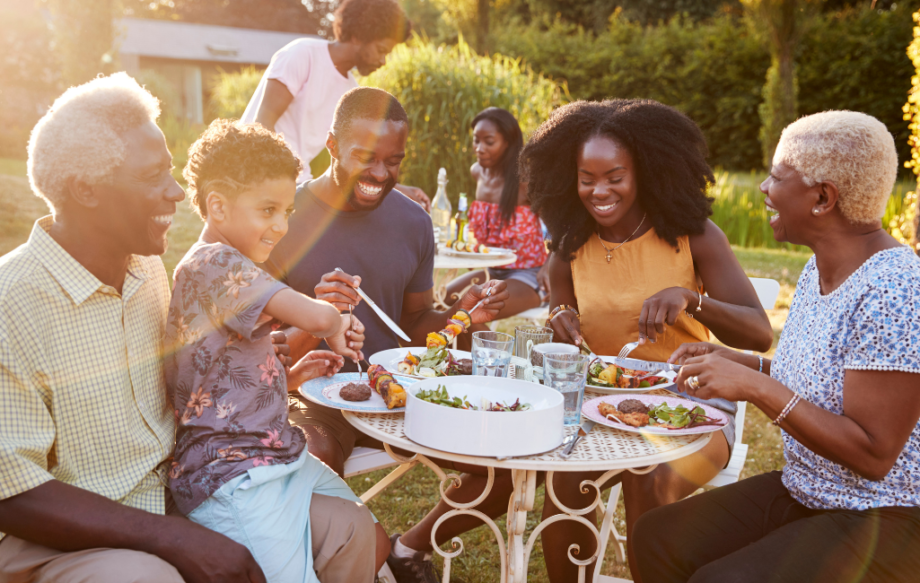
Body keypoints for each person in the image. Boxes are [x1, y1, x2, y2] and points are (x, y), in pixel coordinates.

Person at [0, 73, 336, 583]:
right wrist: (174, 538)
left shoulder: (147, 271)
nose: (177, 192)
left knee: (349, 531)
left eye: (171, 171)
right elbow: (14, 494)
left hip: (182, 491)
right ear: (86, 190)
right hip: (58, 539)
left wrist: (276, 373)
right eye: (154, 176)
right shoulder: (12, 304)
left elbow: (193, 380)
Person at [632, 111, 920, 583]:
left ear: (823, 197)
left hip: (886, 515)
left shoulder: (894, 289)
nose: (764, 188)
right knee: (658, 537)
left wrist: (755, 388)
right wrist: (738, 361)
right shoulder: (821, 268)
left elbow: (873, 454)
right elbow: (821, 381)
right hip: (809, 490)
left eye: (777, 176)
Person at [265, 86, 519, 583]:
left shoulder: (413, 221)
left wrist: (461, 316)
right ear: (332, 145)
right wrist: (316, 315)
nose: (381, 174)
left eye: (394, 161)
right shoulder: (282, 217)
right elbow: (258, 344)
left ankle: (405, 549)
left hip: (408, 393)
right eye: (366, 157)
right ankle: (346, 557)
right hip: (319, 395)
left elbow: (417, 321)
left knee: (505, 465)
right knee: (307, 463)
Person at [519, 99, 774, 582]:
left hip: (693, 399)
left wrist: (691, 299)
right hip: (605, 402)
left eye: (615, 176)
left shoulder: (692, 235)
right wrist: (560, 316)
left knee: (647, 482)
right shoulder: (569, 246)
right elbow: (559, 307)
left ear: (646, 172)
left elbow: (759, 333)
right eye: (586, 178)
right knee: (564, 486)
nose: (599, 191)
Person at [165, 118, 386, 582]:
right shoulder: (215, 263)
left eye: (286, 210)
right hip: (235, 477)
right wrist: (336, 320)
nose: (281, 226)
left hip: (273, 456)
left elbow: (223, 380)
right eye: (268, 209)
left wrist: (291, 377)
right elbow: (320, 318)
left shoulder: (231, 266)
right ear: (217, 206)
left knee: (365, 533)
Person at [241, 0, 431, 211]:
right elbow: (261, 125)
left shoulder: (350, 91)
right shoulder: (303, 55)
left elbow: (346, 160)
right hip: (254, 175)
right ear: (359, 36)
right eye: (380, 50)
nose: (383, 60)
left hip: (293, 185)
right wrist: (276, 185)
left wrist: (395, 189)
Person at [444, 107, 549, 343]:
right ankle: (476, 362)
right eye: (476, 141)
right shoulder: (477, 173)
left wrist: (550, 266)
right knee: (442, 299)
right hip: (488, 270)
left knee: (472, 310)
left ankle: (493, 361)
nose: (479, 148)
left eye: (488, 142)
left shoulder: (526, 179)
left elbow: (559, 225)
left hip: (526, 274)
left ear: (509, 143)